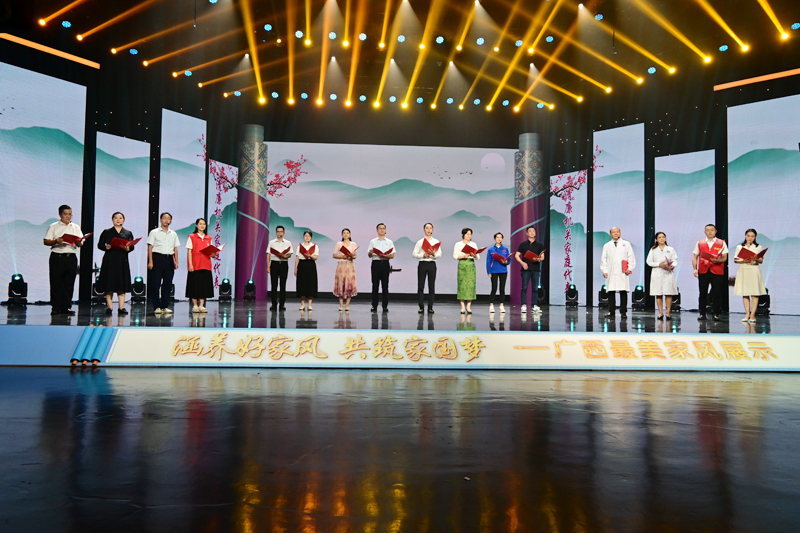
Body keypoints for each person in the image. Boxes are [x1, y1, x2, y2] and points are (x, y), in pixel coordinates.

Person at [43, 204, 84, 316]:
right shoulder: (53, 226)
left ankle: (66, 307)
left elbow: (80, 243)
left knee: (69, 283)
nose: (68, 216)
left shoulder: (75, 227)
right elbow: (46, 241)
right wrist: (56, 241)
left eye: (70, 214)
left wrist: (78, 242)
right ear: (60, 214)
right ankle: (56, 307)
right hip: (57, 256)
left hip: (71, 257)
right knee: (56, 282)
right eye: (65, 214)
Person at [96, 211, 134, 316]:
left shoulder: (128, 233)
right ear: (112, 220)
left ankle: (121, 307)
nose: (118, 219)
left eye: (120, 218)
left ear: (123, 220)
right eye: (116, 218)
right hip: (110, 260)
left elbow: (132, 246)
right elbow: (100, 245)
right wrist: (106, 247)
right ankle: (110, 307)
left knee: (121, 284)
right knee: (109, 284)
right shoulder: (106, 232)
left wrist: (128, 249)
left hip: (122, 260)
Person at [692, 223, 728, 321]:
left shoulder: (721, 243)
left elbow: (724, 257)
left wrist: (718, 260)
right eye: (707, 230)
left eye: (712, 230)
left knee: (717, 293)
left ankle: (716, 313)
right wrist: (695, 269)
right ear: (705, 232)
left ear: (715, 231)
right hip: (703, 270)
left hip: (717, 270)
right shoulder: (700, 243)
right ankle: (702, 313)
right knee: (702, 292)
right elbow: (695, 257)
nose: (710, 232)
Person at [147, 212, 180, 315]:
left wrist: (176, 261)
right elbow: (150, 247)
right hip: (157, 258)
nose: (166, 220)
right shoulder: (154, 232)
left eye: (168, 218)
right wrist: (150, 261)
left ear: (171, 221)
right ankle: (156, 306)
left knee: (168, 284)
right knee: (155, 283)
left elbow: (175, 248)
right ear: (160, 220)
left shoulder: (173, 234)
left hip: (169, 259)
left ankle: (165, 306)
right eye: (164, 218)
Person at [600, 226, 635, 319]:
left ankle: (623, 312)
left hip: (623, 271)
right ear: (610, 234)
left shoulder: (626, 244)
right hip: (611, 271)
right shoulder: (607, 245)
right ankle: (611, 311)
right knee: (611, 292)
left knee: (623, 291)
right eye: (613, 232)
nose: (616, 233)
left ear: (620, 233)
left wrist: (630, 268)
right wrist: (604, 270)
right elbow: (604, 259)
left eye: (617, 232)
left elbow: (631, 257)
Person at [733, 228, 767, 323]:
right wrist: (743, 260)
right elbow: (735, 260)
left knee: (755, 293)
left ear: (755, 237)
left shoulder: (758, 247)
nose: (750, 238)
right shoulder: (740, 247)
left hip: (754, 269)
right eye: (748, 236)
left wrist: (756, 259)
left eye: (752, 236)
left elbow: (761, 260)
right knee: (745, 293)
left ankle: (753, 315)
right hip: (743, 269)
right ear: (745, 236)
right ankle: (747, 314)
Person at [186, 218, 217, 313]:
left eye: (204, 224)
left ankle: (202, 305)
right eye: (200, 224)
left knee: (204, 286)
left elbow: (211, 253)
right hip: (195, 264)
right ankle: (195, 305)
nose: (202, 225)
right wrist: (190, 264)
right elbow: (189, 251)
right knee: (194, 285)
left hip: (206, 264)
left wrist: (214, 254)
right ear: (196, 225)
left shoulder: (209, 238)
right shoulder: (192, 237)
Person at [645, 231, 678, 320]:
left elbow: (675, 259)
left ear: (665, 238)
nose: (662, 239)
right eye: (659, 237)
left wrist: (673, 265)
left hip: (668, 273)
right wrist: (658, 264)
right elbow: (648, 261)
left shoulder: (670, 249)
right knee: (658, 294)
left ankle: (668, 313)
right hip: (657, 272)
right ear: (656, 240)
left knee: (668, 293)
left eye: (663, 237)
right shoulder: (653, 250)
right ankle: (660, 312)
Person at [514, 225, 546, 314]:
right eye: (530, 231)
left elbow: (542, 257)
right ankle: (523, 305)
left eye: (533, 231)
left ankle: (534, 305)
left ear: (535, 233)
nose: (532, 233)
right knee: (524, 287)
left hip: (536, 269)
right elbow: (517, 255)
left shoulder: (539, 245)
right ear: (527, 233)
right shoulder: (523, 244)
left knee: (535, 288)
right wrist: (523, 263)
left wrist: (538, 259)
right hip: (526, 269)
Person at [411, 222, 442, 314]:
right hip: (422, 264)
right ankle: (421, 307)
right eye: (427, 228)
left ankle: (430, 307)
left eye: (430, 228)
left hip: (432, 264)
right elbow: (414, 254)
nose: (429, 230)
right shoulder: (420, 242)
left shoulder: (435, 241)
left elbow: (439, 254)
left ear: (432, 230)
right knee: (421, 286)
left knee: (431, 286)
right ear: (424, 230)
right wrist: (422, 255)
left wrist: (434, 254)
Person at [368, 223, 395, 312]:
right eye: (380, 228)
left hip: (385, 264)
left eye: (383, 228)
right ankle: (374, 305)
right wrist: (371, 253)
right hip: (376, 264)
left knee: (385, 286)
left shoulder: (389, 242)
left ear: (385, 230)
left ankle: (385, 306)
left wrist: (385, 256)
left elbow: (392, 256)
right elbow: (369, 255)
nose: (382, 230)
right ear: (377, 230)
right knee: (375, 285)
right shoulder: (373, 241)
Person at [453, 227, 480, 314]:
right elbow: (455, 256)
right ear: (463, 235)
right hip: (462, 264)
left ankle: (468, 306)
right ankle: (462, 306)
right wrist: (463, 256)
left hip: (471, 265)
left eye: (470, 234)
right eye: (467, 234)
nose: (469, 236)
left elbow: (478, 257)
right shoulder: (458, 244)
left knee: (470, 285)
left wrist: (474, 255)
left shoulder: (473, 244)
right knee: (462, 285)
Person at [267, 225, 292, 311]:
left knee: (283, 285)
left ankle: (282, 304)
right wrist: (268, 266)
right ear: (276, 233)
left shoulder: (288, 243)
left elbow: (290, 254)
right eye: (278, 231)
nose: (279, 233)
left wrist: (285, 256)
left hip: (283, 264)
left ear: (284, 233)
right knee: (274, 285)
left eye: (281, 231)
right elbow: (268, 255)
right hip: (274, 264)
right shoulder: (272, 242)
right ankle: (274, 304)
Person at [333, 228, 358, 311]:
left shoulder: (353, 244)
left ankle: (347, 305)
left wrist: (351, 256)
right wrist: (342, 256)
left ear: (350, 235)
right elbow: (334, 255)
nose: (346, 234)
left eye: (347, 233)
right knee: (341, 283)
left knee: (349, 284)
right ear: (342, 235)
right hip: (341, 265)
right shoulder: (339, 244)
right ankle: (341, 305)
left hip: (349, 265)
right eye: (344, 233)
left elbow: (355, 256)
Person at [486, 232, 511, 314]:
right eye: (497, 237)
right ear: (495, 239)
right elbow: (488, 262)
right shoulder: (491, 249)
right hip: (494, 271)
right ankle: (491, 305)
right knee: (494, 288)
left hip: (503, 270)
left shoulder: (505, 249)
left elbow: (509, 260)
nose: (499, 239)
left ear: (502, 239)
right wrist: (489, 272)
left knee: (502, 288)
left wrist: (506, 262)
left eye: (500, 237)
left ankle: (501, 305)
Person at [294, 230, 319, 311]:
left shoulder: (314, 246)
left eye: (309, 236)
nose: (307, 237)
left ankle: (310, 304)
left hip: (311, 264)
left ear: (311, 237)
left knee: (311, 283)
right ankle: (302, 304)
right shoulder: (300, 246)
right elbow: (297, 258)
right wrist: (295, 269)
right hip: (302, 265)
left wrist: (310, 256)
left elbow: (316, 257)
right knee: (302, 284)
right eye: (306, 236)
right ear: (303, 237)